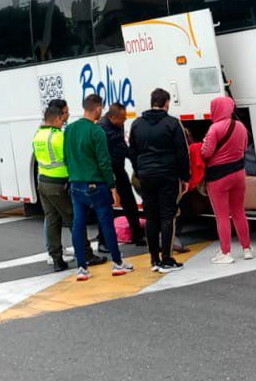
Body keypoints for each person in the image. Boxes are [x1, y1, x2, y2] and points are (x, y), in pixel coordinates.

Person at [66, 94, 133, 280]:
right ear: (96, 109)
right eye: (101, 109)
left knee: (78, 225)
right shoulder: (97, 132)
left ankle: (82, 268)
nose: (101, 112)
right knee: (106, 222)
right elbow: (104, 163)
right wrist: (112, 186)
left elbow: (66, 158)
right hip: (96, 184)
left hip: (76, 184)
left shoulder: (69, 130)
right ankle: (118, 263)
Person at [31, 100, 98, 272]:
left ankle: (57, 260)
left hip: (43, 183)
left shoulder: (37, 135)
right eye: (62, 119)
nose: (64, 122)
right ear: (57, 119)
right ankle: (87, 256)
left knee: (52, 220)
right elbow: (71, 159)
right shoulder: (58, 137)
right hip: (59, 185)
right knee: (75, 220)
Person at [129, 88, 191, 272]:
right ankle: (167, 258)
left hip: (146, 176)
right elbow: (182, 153)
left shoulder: (137, 124)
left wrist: (139, 171)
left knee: (151, 217)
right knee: (167, 216)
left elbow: (132, 151)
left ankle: (154, 259)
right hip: (167, 175)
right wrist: (185, 177)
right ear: (166, 103)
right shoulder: (173, 123)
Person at [200, 95, 253, 263]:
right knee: (239, 211)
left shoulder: (214, 129)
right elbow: (244, 147)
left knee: (222, 215)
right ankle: (247, 249)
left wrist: (202, 145)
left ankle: (226, 253)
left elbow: (206, 153)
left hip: (218, 177)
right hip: (238, 173)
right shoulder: (240, 126)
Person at [100, 102, 144, 247]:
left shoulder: (118, 125)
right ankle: (102, 240)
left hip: (119, 169)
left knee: (130, 203)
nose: (125, 121)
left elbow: (122, 146)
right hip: (107, 172)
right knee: (106, 206)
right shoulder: (101, 129)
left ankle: (137, 234)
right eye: (122, 118)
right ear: (112, 117)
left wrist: (134, 162)